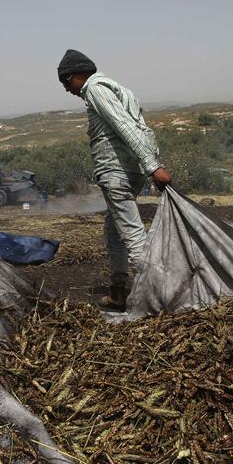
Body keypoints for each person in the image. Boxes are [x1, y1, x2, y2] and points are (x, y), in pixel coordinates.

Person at [57, 49, 172, 311]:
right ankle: (119, 292)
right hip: (129, 172)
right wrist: (150, 163)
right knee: (114, 229)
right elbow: (141, 129)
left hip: (115, 172)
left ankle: (157, 299)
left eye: (66, 82)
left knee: (132, 234)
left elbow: (124, 126)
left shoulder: (95, 89)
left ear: (76, 75)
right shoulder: (120, 89)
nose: (67, 89)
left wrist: (154, 166)